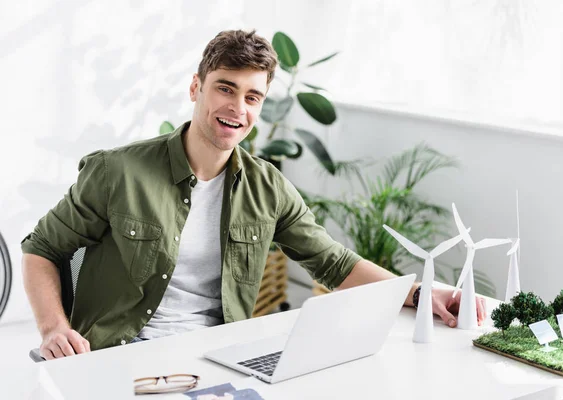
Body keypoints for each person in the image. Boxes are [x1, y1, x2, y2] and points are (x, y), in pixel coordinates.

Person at [21, 29, 487, 361]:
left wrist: (423, 291)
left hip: (218, 357)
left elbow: (333, 262)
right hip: (120, 359)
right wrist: (53, 328)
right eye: (225, 88)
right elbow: (41, 248)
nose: (236, 108)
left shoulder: (268, 187)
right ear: (195, 87)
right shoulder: (117, 171)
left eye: (252, 97)